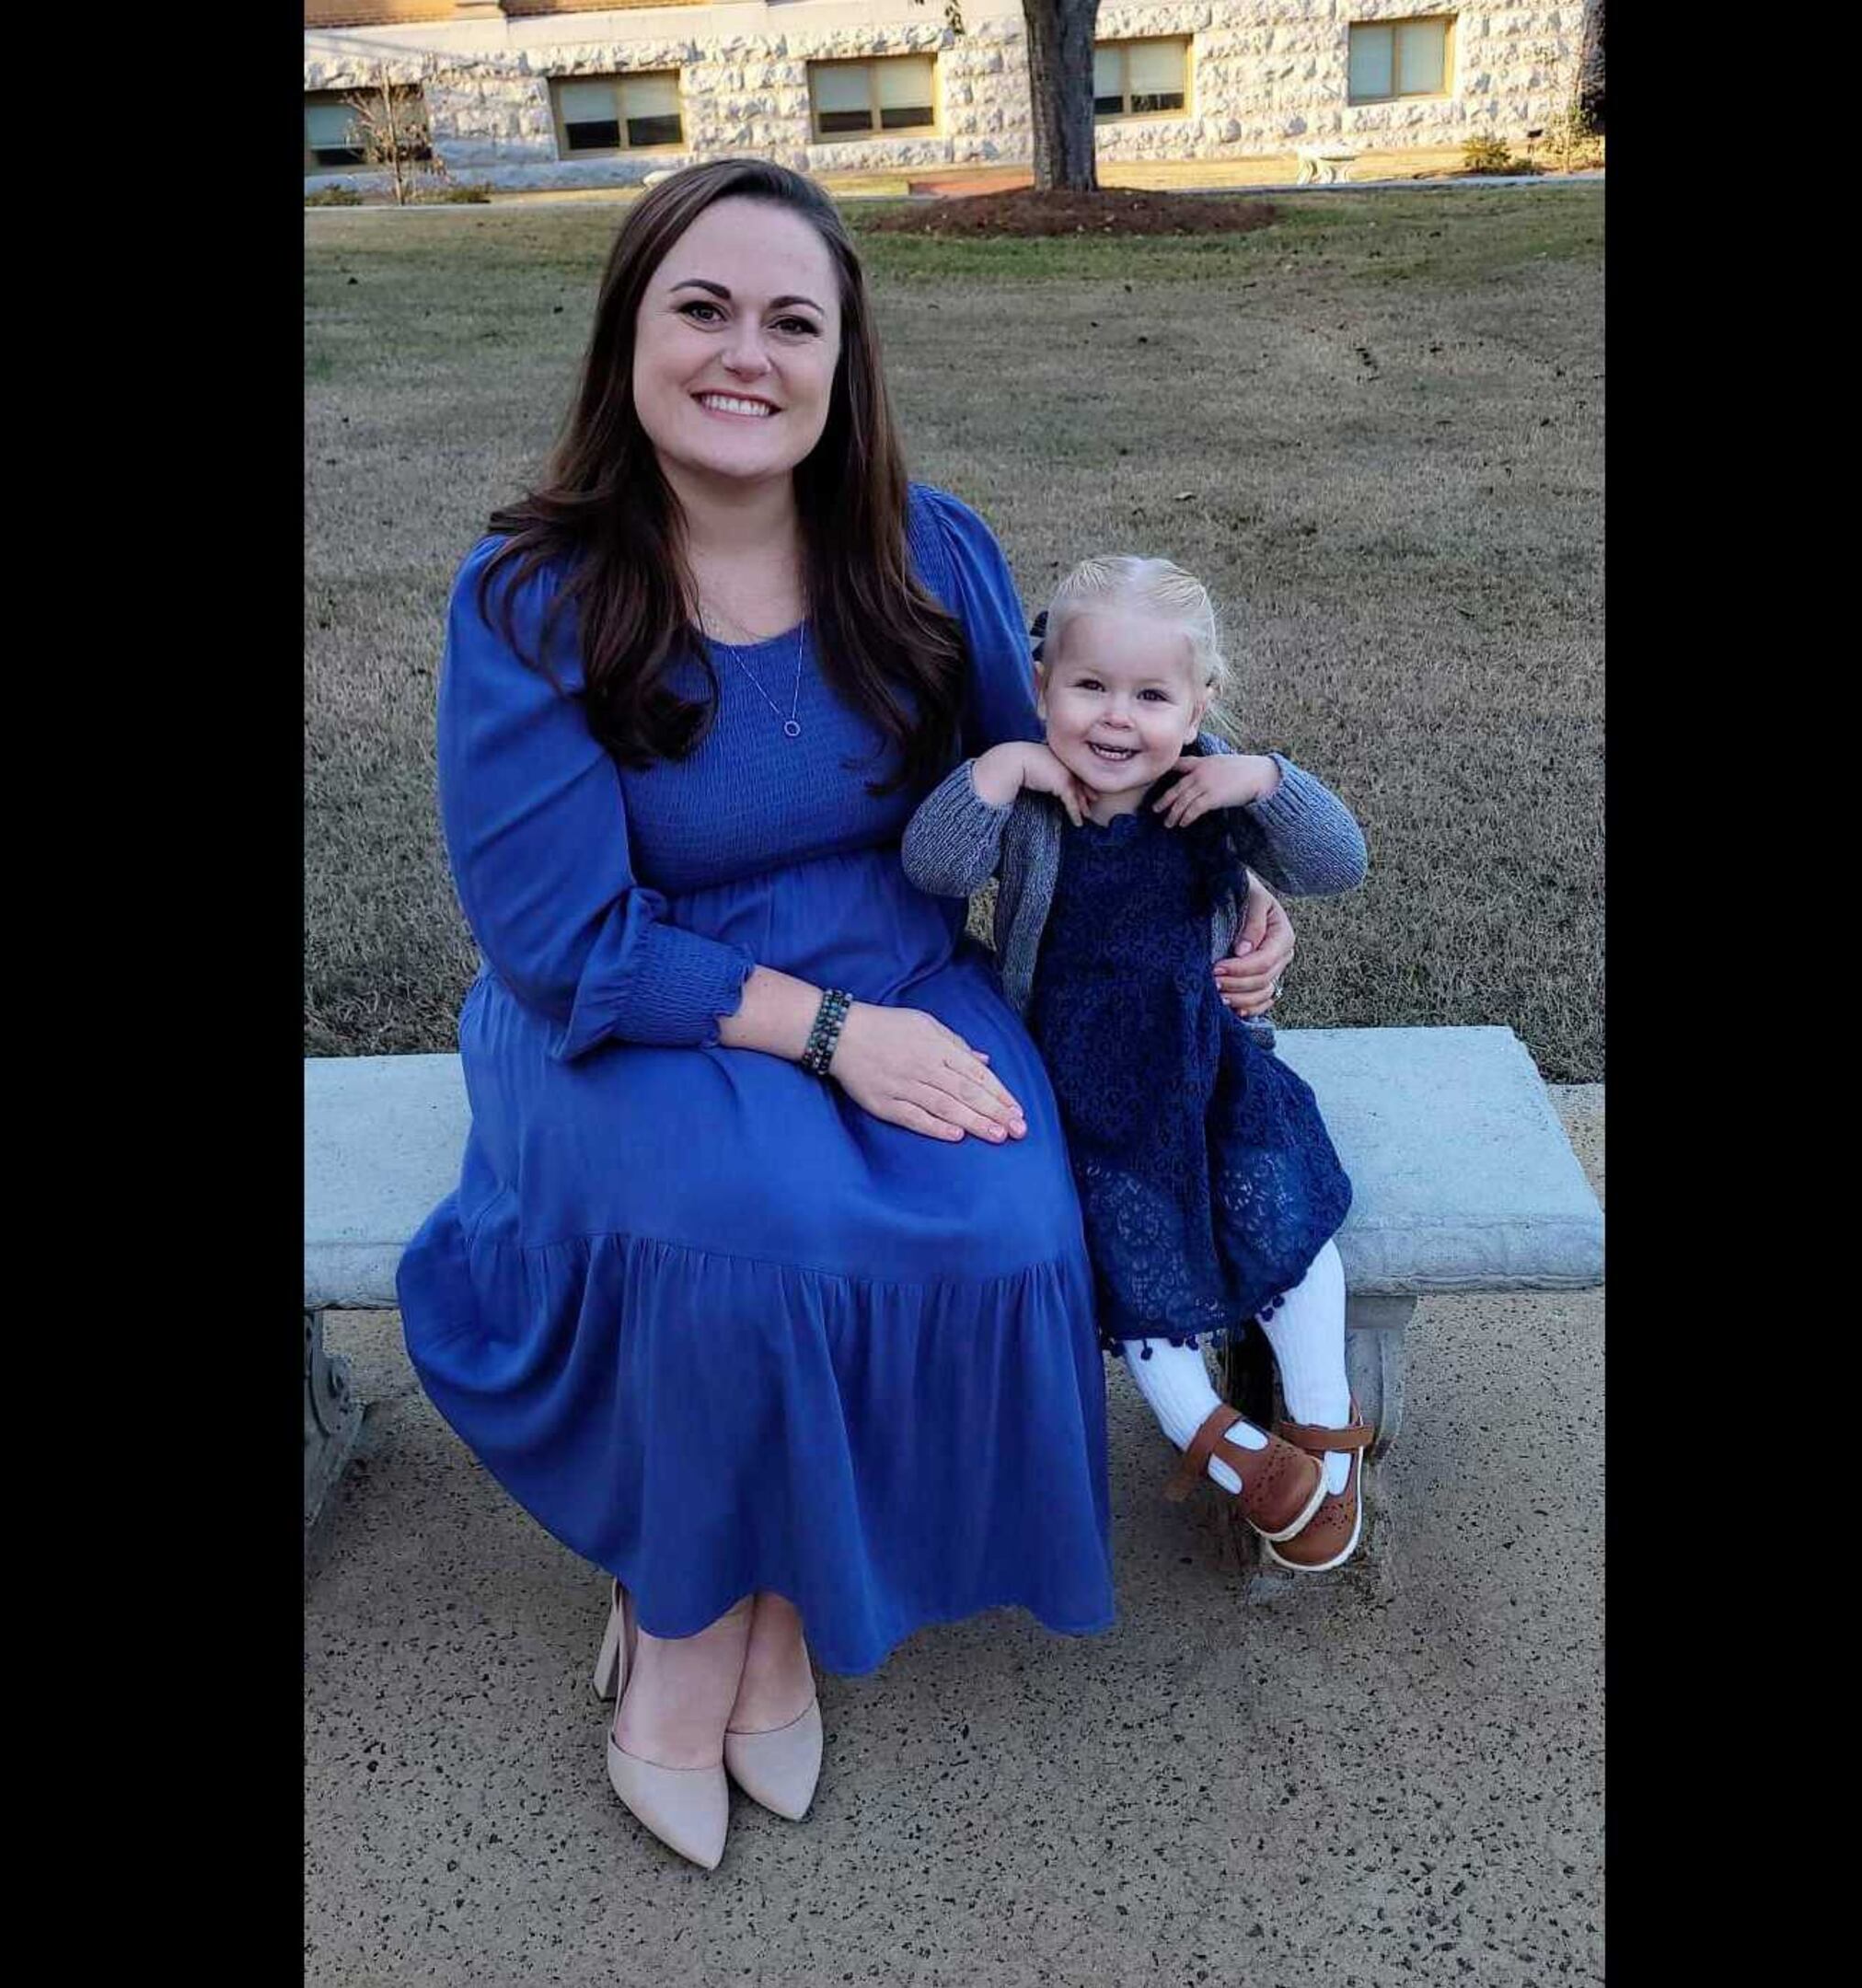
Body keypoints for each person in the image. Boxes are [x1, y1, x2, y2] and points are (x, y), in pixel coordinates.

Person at [393, 159, 1298, 1873]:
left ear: (842, 358)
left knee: (1003, 1223)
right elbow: (556, 935)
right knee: (746, 1230)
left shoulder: (927, 549)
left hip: (903, 967)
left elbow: (1069, 775)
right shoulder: (531, 594)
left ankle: (785, 1591)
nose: (747, 354)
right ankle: (685, 1611)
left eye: (791, 322)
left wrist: (1222, 878)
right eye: (703, 309)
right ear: (630, 336)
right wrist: (824, 1037)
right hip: (637, 1002)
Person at [903, 555, 1376, 1574]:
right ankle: (1216, 1438)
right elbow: (932, 863)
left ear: (1199, 704)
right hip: (1084, 1090)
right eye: (1090, 687)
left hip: (1210, 1073)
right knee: (1132, 1256)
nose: (1117, 719)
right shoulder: (1035, 797)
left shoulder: (1211, 787)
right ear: (1043, 688)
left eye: (1152, 697)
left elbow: (1340, 864)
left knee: (1289, 1213)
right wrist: (999, 769)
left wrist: (1267, 779)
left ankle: (1326, 1433)